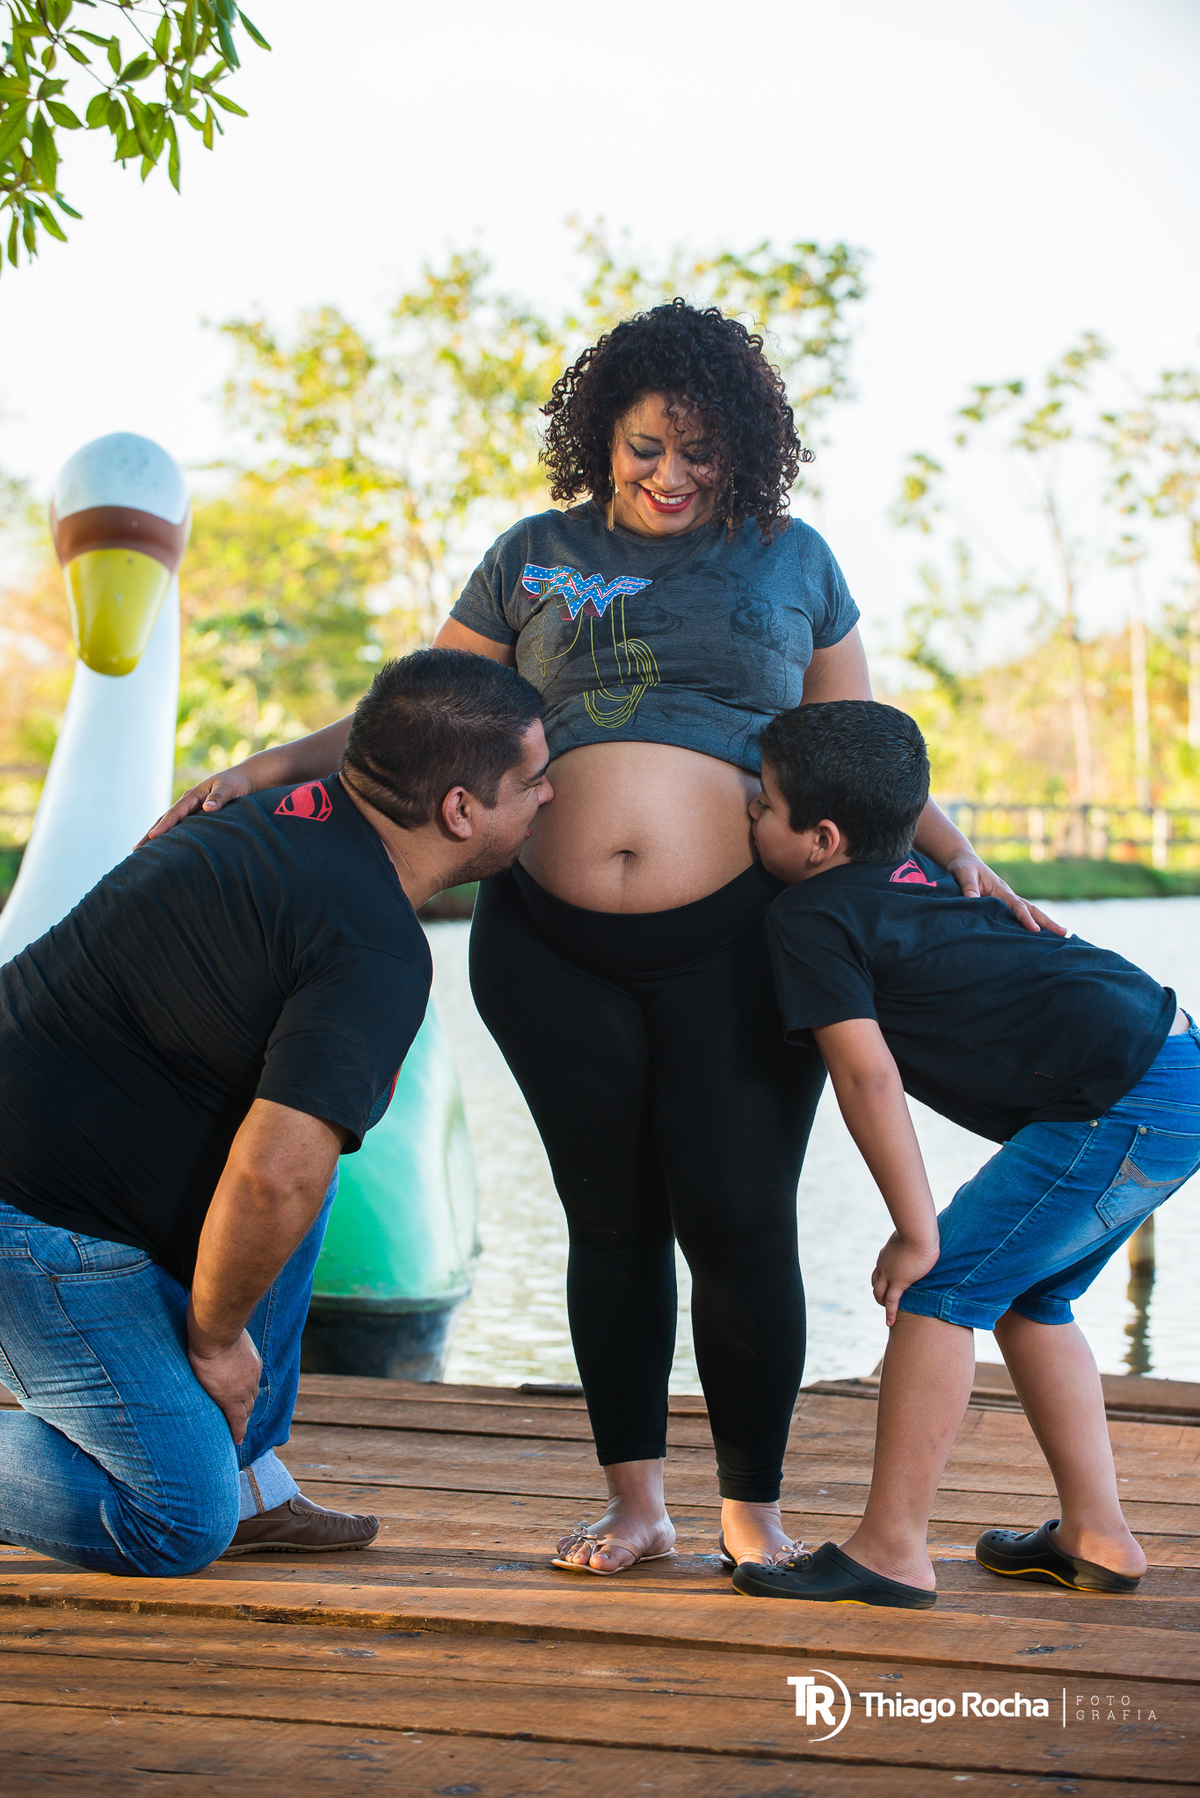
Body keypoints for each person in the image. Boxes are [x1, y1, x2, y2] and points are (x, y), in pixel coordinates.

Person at [149, 300, 1056, 1575]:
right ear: (602, 439)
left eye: (701, 453)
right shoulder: (532, 555)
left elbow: (859, 760)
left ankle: (752, 1515)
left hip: (744, 947)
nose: (671, 475)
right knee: (609, 1223)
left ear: (744, 451)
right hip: (548, 948)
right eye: (645, 448)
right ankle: (638, 1505)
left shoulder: (795, 560)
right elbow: (410, 723)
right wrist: (259, 769)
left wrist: (955, 854)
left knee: (740, 1220)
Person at [0, 650, 549, 1575]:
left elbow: (288, 1168)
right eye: (533, 782)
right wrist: (216, 1343)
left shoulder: (276, 816)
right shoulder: (375, 950)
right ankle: (218, 1485)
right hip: (31, 1224)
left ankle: (251, 1482)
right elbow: (267, 1180)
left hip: (83, 1187)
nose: (551, 797)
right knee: (176, 1518)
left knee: (309, 1142)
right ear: (460, 811)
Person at [731, 698, 1199, 1608]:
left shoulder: (812, 914)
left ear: (822, 840)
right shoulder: (916, 864)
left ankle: (891, 1551)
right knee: (1033, 1297)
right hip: (1170, 1063)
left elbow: (865, 1077)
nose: (749, 813)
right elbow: (903, 799)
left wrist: (916, 1231)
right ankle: (1097, 1536)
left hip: (1122, 1096)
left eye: (764, 806)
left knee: (938, 1289)